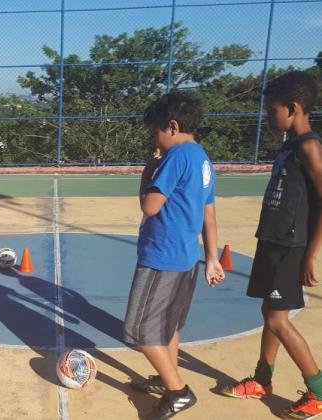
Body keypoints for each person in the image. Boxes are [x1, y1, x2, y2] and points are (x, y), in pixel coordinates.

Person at [220, 71, 322, 419]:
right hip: (272, 241)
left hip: (292, 247)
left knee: (278, 320)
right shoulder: (289, 146)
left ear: (293, 108)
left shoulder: (309, 146)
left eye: (271, 110)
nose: (268, 117)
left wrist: (310, 254)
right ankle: (262, 380)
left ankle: (318, 392)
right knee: (269, 314)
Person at [123, 91, 225, 419]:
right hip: (186, 258)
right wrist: (211, 257)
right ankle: (167, 377)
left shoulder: (176, 156)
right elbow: (209, 213)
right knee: (168, 326)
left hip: (162, 258)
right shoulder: (202, 158)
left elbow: (149, 205)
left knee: (140, 329)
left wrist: (149, 169)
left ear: (172, 126)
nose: (155, 138)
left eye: (155, 131)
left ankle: (178, 392)